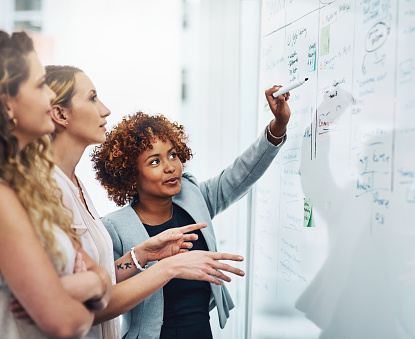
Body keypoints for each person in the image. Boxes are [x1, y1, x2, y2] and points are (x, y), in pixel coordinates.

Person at [43, 65, 247, 338]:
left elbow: (100, 280)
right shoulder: (47, 192)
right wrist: (168, 267)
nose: (105, 110)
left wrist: (141, 256)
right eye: (92, 98)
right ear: (60, 114)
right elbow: (79, 303)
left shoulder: (76, 186)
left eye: (173, 155)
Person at [91, 85, 291, 338]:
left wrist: (278, 127)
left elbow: (241, 173)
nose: (170, 167)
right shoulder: (114, 227)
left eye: (173, 155)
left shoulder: (193, 197)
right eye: (155, 161)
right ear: (130, 174)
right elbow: (107, 285)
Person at [0, 31, 111, 338]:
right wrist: (89, 292)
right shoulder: (3, 197)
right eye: (38, 86)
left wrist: (92, 283)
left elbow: (100, 275)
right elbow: (64, 322)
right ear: (7, 105)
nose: (49, 96)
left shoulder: (26, 187)